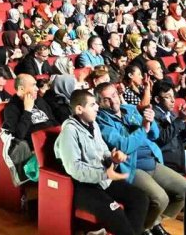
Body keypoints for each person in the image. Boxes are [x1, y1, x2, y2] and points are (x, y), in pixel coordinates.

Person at [94, 82, 186, 235]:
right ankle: (141, 230)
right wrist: (143, 128)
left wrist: (150, 121)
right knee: (160, 199)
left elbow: (154, 135)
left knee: (185, 189)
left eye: (114, 96)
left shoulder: (130, 109)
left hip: (152, 160)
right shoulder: (102, 121)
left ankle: (151, 224)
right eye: (106, 99)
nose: (113, 101)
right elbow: (123, 145)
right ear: (99, 103)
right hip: (133, 167)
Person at [56, 90, 150, 235]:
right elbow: (74, 168)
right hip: (84, 187)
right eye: (92, 104)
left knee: (140, 198)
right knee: (116, 212)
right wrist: (105, 173)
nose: (97, 107)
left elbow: (104, 152)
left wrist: (113, 158)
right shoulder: (69, 131)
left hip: (103, 179)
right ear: (79, 109)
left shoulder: (94, 125)